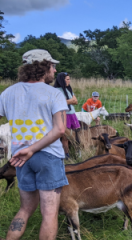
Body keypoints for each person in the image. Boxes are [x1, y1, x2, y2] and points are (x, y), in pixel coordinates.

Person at [2, 49, 68, 240]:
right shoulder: (53, 94)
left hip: (19, 158)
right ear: (43, 67)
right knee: (49, 214)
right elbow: (60, 130)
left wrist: (24, 148)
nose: (54, 71)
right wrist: (32, 149)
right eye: (52, 66)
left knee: (25, 209)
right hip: (47, 156)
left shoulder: (8, 93)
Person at [54, 72, 79, 159]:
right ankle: (66, 154)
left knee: (76, 134)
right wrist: (69, 100)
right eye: (67, 79)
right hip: (65, 115)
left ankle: (77, 151)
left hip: (72, 114)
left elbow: (75, 101)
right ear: (62, 80)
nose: (69, 81)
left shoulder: (68, 89)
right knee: (65, 137)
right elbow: (61, 102)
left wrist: (68, 100)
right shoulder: (57, 90)